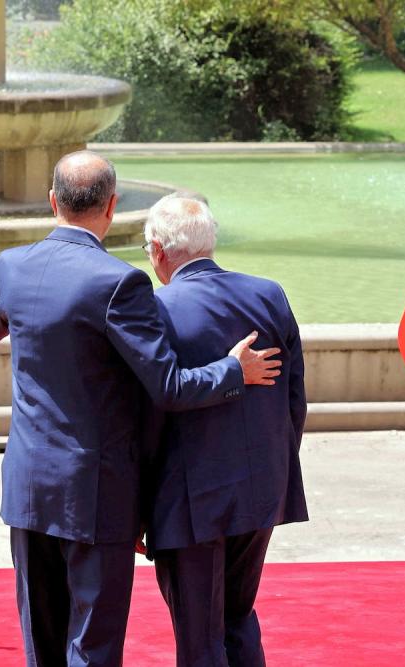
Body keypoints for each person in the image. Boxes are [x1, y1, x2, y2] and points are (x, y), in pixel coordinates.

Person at [0, 151, 282, 667]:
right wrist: (232, 371)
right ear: (112, 206)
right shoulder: (119, 283)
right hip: (96, 495)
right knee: (91, 647)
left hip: (27, 488)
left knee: (41, 642)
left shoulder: (13, 265)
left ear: (52, 201)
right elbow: (170, 387)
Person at [141, 195, 308, 667]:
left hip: (188, 502)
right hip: (260, 491)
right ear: (210, 243)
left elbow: (150, 416)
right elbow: (295, 400)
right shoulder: (268, 294)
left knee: (199, 636)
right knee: (238, 615)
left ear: (157, 250)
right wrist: (277, 470)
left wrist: (140, 506)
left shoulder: (157, 309)